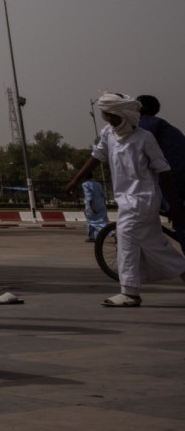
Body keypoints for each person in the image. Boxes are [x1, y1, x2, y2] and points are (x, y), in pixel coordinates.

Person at [67, 92, 185, 307]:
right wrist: (76, 179)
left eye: (115, 116)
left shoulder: (144, 138)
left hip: (143, 199)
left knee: (126, 239)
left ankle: (130, 292)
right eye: (107, 116)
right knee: (156, 244)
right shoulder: (108, 134)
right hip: (125, 200)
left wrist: (174, 207)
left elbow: (164, 171)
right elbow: (97, 156)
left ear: (127, 115)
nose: (111, 120)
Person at [137, 96, 185, 215]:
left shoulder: (146, 123)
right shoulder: (162, 124)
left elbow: (136, 146)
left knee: (175, 209)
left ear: (143, 107)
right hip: (177, 170)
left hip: (174, 172)